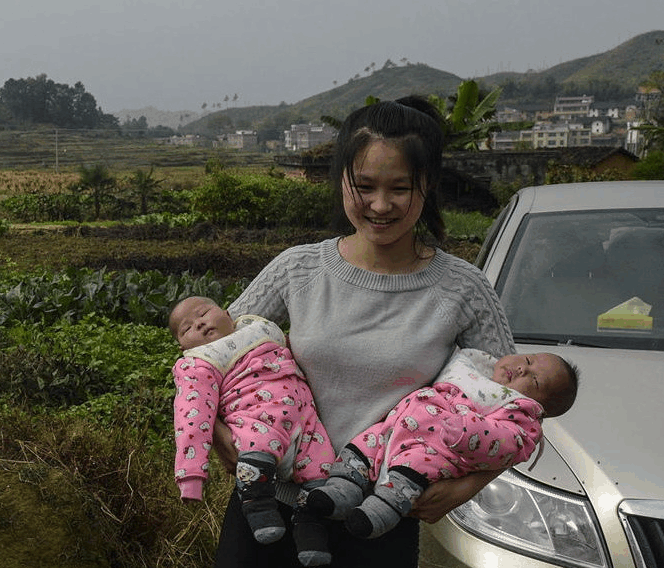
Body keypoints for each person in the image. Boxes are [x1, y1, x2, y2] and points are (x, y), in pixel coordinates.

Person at [215, 96, 515, 568]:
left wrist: (465, 487)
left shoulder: (462, 289)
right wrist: (219, 437)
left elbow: (516, 406)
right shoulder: (299, 269)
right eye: (365, 186)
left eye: (400, 188)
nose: (380, 205)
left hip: (379, 520)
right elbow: (211, 359)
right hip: (268, 511)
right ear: (341, 181)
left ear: (428, 184)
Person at [306, 348, 579, 540]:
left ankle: (377, 514)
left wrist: (466, 431)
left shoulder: (518, 412)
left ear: (539, 406)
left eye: (533, 379)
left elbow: (506, 443)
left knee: (406, 477)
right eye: (528, 360)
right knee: (362, 447)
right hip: (393, 425)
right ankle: (340, 490)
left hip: (433, 450)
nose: (522, 368)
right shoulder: (476, 366)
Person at [169, 296, 337, 566]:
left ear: (227, 312)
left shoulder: (258, 329)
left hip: (305, 421)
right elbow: (191, 417)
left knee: (322, 471)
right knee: (258, 453)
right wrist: (191, 475)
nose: (199, 323)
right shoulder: (199, 363)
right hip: (256, 419)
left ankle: (310, 531)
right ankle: (258, 509)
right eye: (187, 328)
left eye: (204, 313)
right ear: (181, 345)